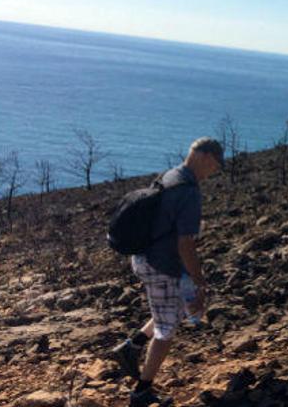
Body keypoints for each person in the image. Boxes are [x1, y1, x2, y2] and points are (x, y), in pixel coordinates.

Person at [111, 137, 223, 407]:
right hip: (160, 265)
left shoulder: (171, 175)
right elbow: (185, 244)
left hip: (144, 257)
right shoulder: (189, 191)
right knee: (166, 331)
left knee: (173, 309)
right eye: (216, 166)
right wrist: (199, 281)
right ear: (206, 157)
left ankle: (132, 346)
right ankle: (142, 391)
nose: (214, 172)